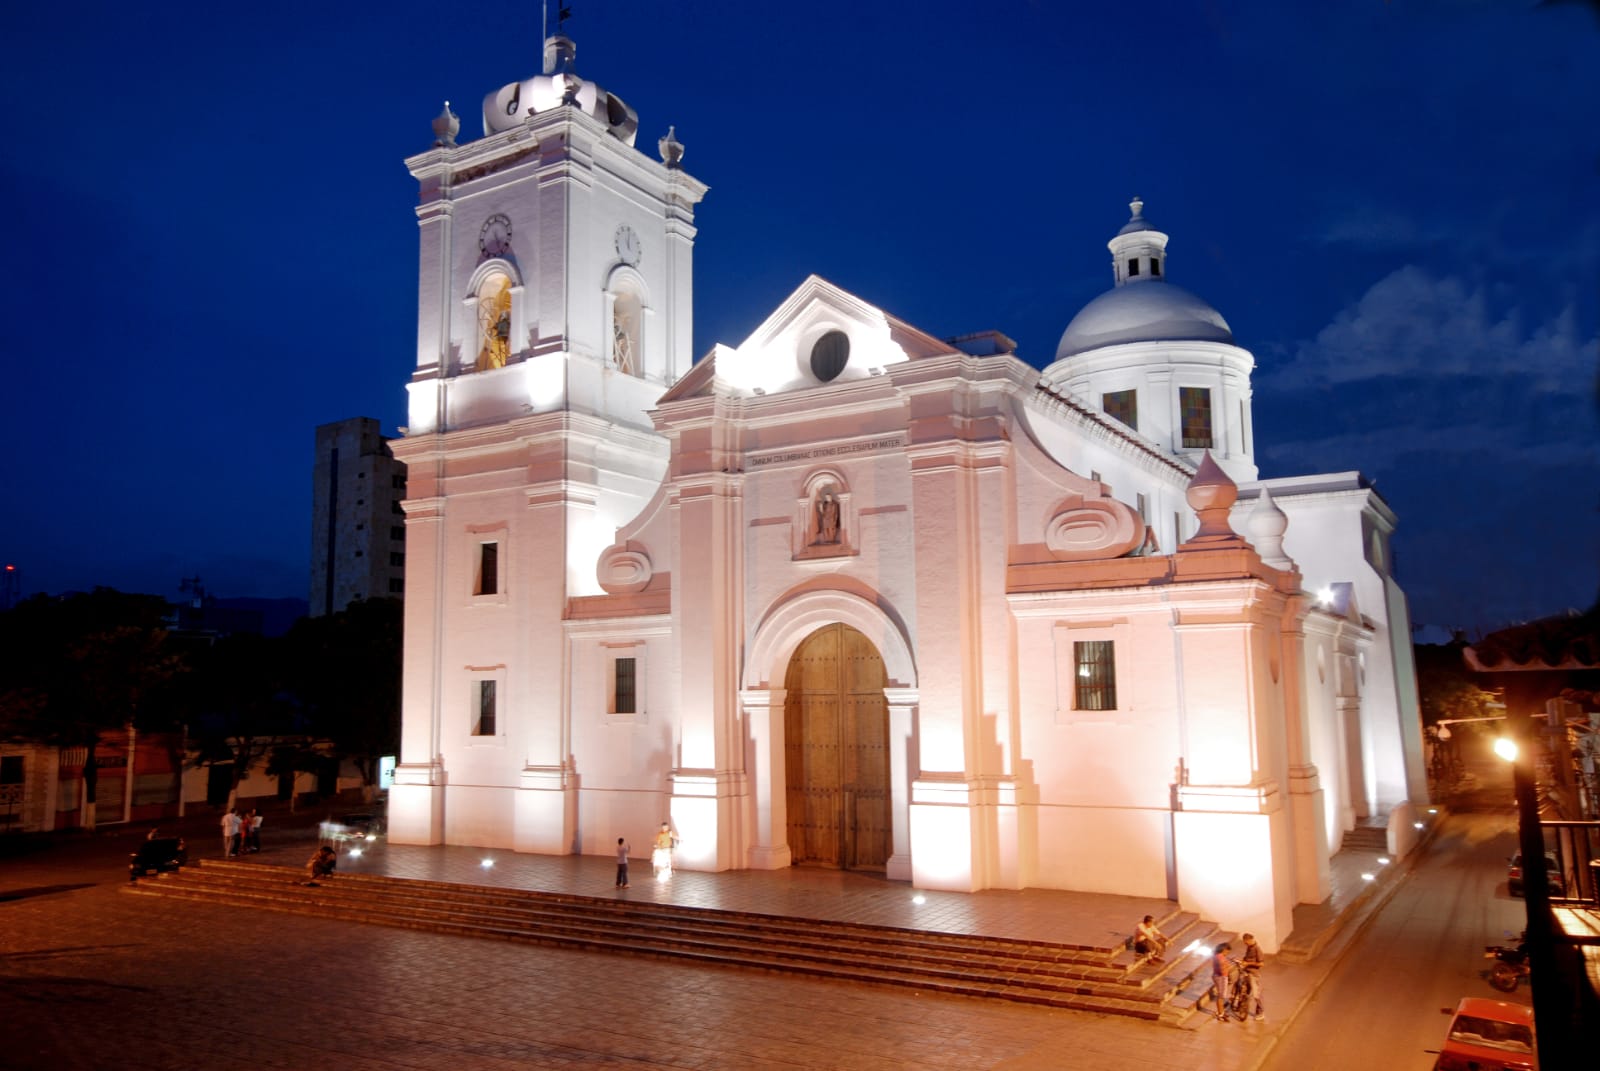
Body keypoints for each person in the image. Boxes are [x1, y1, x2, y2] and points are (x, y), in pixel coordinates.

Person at [1239, 932, 1264, 1021]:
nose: (1245, 943)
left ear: (1249, 940)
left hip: (1254, 974)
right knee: (1244, 989)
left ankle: (1260, 1012)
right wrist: (1242, 961)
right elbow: (1247, 958)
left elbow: (1261, 964)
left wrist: (1248, 963)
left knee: (1256, 995)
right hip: (1247, 971)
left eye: (1246, 942)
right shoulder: (1249, 947)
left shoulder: (1257, 949)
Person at [1208, 942, 1234, 1023]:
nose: (1227, 953)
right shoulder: (1221, 958)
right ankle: (1220, 1014)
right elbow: (1223, 971)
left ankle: (1221, 1012)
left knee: (1221, 996)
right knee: (1221, 996)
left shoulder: (1216, 956)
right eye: (1227, 951)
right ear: (1224, 950)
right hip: (1221, 978)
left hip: (1216, 976)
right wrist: (1229, 967)